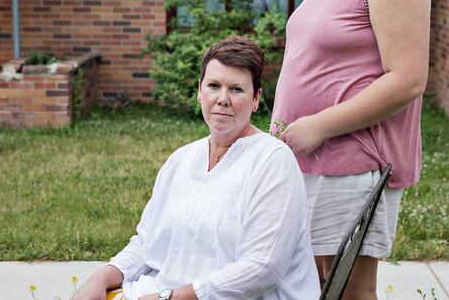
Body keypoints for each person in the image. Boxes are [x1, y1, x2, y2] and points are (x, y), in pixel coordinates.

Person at [271, 0, 431, 298]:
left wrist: (317, 126)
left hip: (353, 163)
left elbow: (408, 79)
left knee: (349, 292)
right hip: (315, 158)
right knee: (317, 287)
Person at [72, 36, 320, 300]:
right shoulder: (181, 160)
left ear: (256, 98)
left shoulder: (272, 160)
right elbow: (147, 244)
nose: (222, 99)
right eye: (214, 86)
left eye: (236, 89)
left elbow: (262, 268)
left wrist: (171, 298)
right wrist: (101, 278)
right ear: (199, 91)